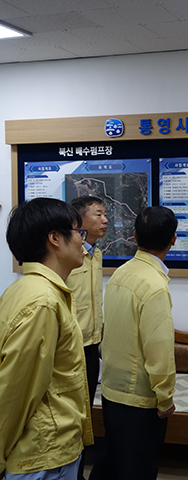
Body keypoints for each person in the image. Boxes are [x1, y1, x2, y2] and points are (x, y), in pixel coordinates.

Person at [0, 198, 93, 479]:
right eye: (79, 233)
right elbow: (16, 391)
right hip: (40, 455)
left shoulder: (26, 289)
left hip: (45, 448)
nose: (83, 242)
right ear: (55, 238)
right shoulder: (42, 301)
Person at [90, 206, 177, 480]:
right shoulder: (154, 285)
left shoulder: (121, 273)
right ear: (173, 239)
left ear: (135, 235)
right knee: (138, 469)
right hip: (139, 399)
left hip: (112, 390)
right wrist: (165, 398)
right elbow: (159, 351)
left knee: (113, 463)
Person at [66, 196, 108, 480]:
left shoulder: (96, 254)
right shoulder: (69, 255)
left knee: (85, 414)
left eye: (105, 214)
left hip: (92, 346)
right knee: (71, 414)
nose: (105, 220)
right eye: (98, 214)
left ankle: (79, 472)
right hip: (71, 349)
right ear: (80, 222)